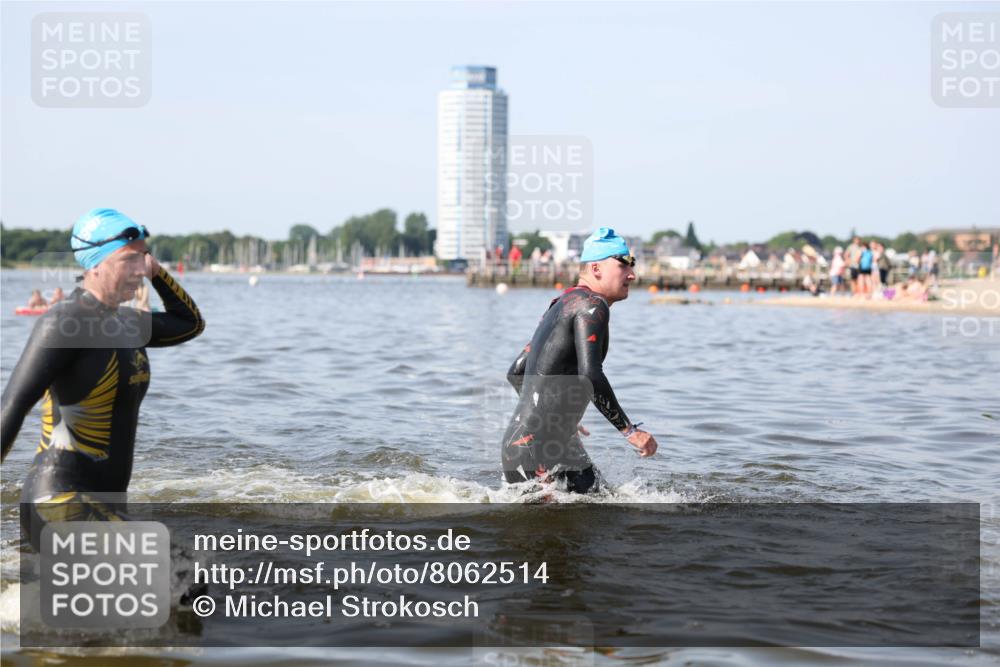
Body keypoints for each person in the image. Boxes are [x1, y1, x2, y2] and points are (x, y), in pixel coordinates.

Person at [1, 208, 205, 548]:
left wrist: (157, 273)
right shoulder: (66, 322)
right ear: (95, 263)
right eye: (130, 260)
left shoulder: (128, 323)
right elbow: (12, 404)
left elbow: (190, 323)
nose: (141, 269)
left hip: (103, 507)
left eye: (144, 258)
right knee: (185, 574)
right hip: (57, 503)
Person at [501, 227, 657, 494]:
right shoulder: (592, 305)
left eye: (633, 265)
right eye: (623, 265)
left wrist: (556, 418)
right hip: (534, 451)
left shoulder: (564, 302)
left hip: (540, 444)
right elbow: (590, 375)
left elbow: (517, 370)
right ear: (596, 269)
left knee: (603, 508)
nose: (632, 274)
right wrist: (630, 431)